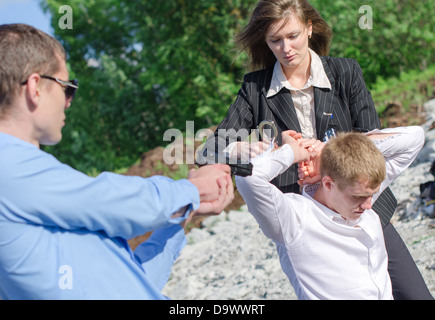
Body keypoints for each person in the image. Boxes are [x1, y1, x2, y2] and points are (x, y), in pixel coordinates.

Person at [200, 0, 433, 299]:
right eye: (275, 40)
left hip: (359, 203)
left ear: (309, 28)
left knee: (416, 295)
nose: (286, 48)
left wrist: (329, 151)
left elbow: (369, 141)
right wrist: (242, 148)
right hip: (306, 223)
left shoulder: (345, 72)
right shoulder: (254, 88)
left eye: (293, 35)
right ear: (265, 42)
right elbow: (209, 151)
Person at [0, 24, 234, 300]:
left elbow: (131, 283)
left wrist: (183, 216)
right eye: (67, 87)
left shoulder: (32, 192)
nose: (69, 102)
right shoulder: (9, 167)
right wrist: (193, 190)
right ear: (35, 87)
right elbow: (109, 200)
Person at [236, 126, 426, 299]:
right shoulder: (293, 219)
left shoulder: (357, 193)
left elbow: (414, 137)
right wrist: (291, 152)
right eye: (359, 197)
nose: (368, 206)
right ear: (328, 184)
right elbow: (247, 177)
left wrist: (328, 152)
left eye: (371, 196)